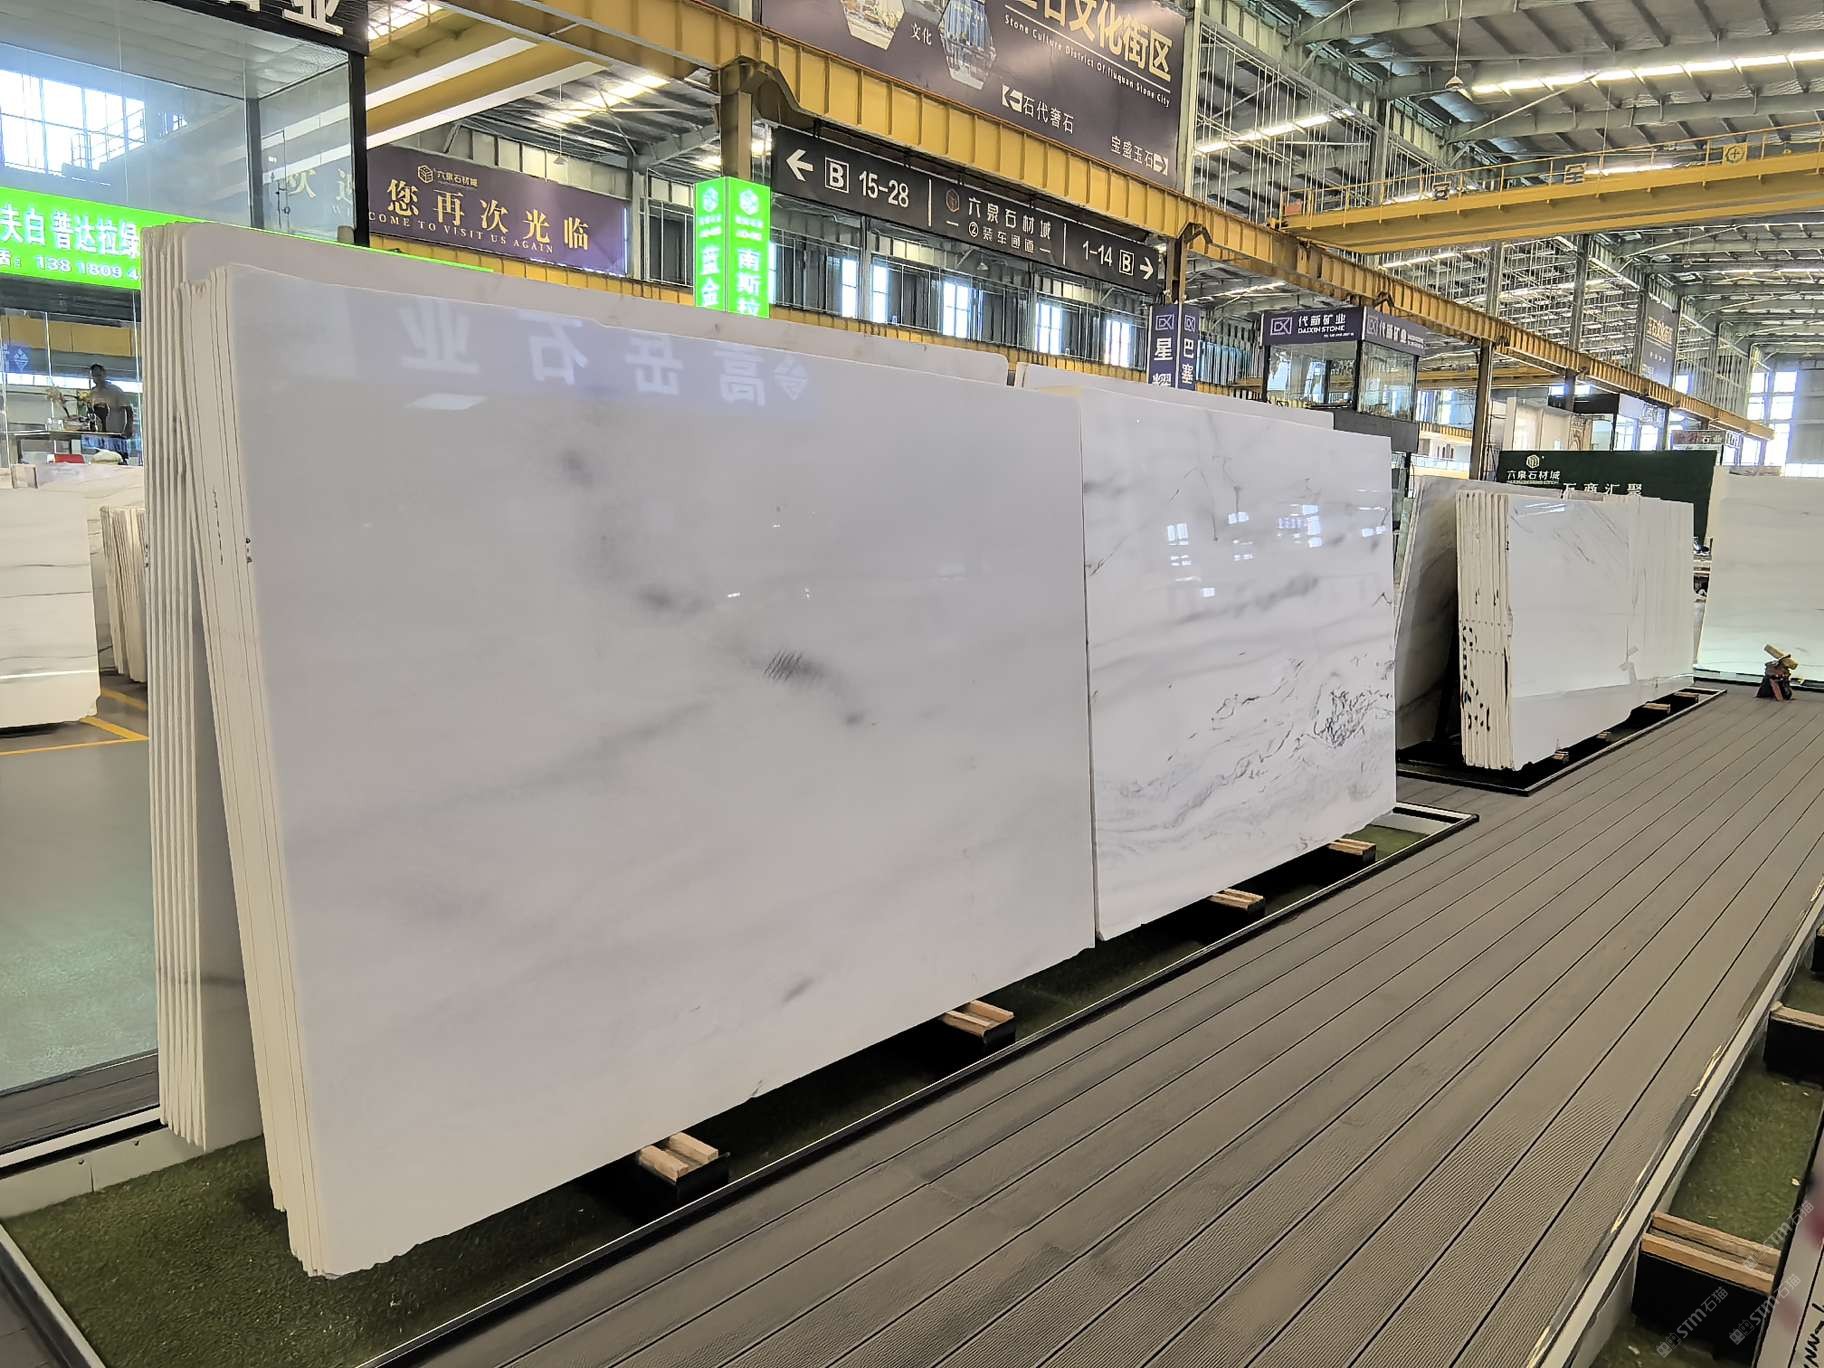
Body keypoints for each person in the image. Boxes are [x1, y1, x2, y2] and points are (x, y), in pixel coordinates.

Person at [84, 364, 131, 436]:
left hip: (116, 433)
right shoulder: (93, 393)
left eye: (99, 375)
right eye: (94, 376)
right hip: (100, 433)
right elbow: (92, 413)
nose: (97, 378)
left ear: (104, 374)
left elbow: (128, 409)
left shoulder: (115, 390)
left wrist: (129, 427)